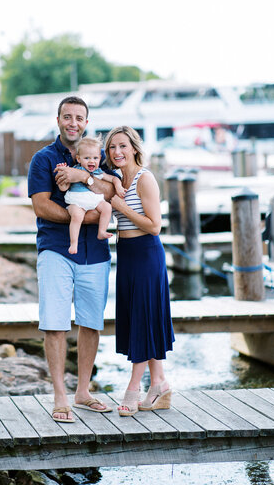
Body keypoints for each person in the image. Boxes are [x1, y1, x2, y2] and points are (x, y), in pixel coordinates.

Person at [28, 96, 118, 423]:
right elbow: (40, 206)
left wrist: (84, 178)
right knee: (55, 322)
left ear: (86, 122)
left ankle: (83, 392)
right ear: (58, 120)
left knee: (91, 322)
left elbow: (112, 193)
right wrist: (83, 218)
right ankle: (60, 396)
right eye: (67, 117)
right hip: (55, 249)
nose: (73, 123)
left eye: (79, 118)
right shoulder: (43, 159)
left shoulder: (98, 156)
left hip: (95, 253)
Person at [105, 126, 175, 416]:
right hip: (127, 255)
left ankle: (133, 388)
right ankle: (159, 383)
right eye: (112, 148)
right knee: (141, 318)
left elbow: (154, 225)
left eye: (122, 146)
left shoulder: (145, 179)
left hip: (146, 253)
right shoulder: (117, 179)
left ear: (134, 148)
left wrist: (121, 206)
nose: (117, 152)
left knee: (143, 318)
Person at [56, 136, 126, 254]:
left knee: (107, 207)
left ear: (99, 158)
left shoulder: (98, 172)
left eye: (95, 158)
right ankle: (73, 243)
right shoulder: (75, 170)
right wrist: (61, 173)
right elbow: (64, 188)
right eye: (87, 158)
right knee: (77, 216)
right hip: (76, 201)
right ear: (78, 159)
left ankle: (102, 231)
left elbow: (114, 178)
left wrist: (119, 186)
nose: (91, 161)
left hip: (93, 200)